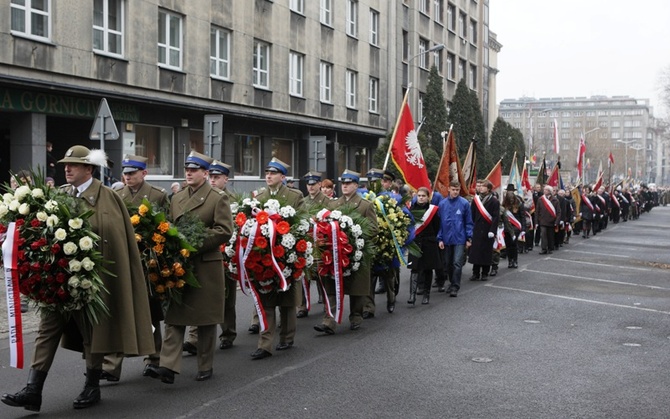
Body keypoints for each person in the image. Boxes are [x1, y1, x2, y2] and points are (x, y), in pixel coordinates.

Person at [2, 146, 154, 412]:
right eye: (65, 165)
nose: (67, 169)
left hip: (91, 282)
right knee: (46, 331)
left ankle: (92, 385)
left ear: (89, 169)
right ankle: (33, 390)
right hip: (58, 280)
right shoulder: (59, 195)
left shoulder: (109, 198)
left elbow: (117, 241)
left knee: (93, 333)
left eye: (73, 165)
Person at [146, 151, 232, 383]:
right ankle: (168, 366)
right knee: (175, 315)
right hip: (179, 264)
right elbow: (170, 226)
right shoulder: (177, 198)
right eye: (187, 169)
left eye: (194, 170)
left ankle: (205, 365)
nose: (189, 173)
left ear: (205, 173)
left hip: (205, 265)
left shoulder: (217, 197)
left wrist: (191, 243)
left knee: (204, 319)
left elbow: (224, 230)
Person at [101, 155, 169, 382]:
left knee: (150, 312)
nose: (128, 177)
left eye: (133, 173)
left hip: (147, 262)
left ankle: (154, 358)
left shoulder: (158, 195)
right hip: (122, 261)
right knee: (119, 310)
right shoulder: (116, 195)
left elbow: (166, 228)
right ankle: (111, 365)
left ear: (144, 173)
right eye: (126, 173)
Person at [249, 157, 304, 360]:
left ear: (282, 176)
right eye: (267, 173)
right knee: (267, 300)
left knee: (287, 301)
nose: (269, 176)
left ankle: (287, 337)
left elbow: (302, 222)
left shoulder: (294, 196)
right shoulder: (258, 196)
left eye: (273, 173)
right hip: (264, 256)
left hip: (287, 255)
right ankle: (265, 344)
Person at [182, 160, 237, 353]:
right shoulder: (188, 196)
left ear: (225, 179)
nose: (213, 180)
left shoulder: (233, 199)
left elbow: (229, 229)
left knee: (226, 297)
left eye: (217, 177)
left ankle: (228, 332)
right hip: (205, 253)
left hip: (228, 253)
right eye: (211, 177)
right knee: (200, 296)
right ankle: (194, 338)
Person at [314, 170, 378, 334]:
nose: (345, 186)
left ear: (356, 185)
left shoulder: (365, 205)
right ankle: (329, 320)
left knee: (356, 288)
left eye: (349, 183)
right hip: (337, 254)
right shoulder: (333, 204)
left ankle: (356, 315)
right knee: (332, 286)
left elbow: (373, 229)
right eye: (343, 183)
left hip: (357, 253)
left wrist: (355, 236)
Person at [296, 170, 330, 318]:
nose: (310, 187)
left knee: (323, 274)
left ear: (319, 184)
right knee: (305, 275)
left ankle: (326, 301)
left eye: (313, 184)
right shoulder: (303, 201)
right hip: (307, 243)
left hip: (322, 243)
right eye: (308, 184)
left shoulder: (327, 201)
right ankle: (303, 305)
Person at [408, 187, 442, 304]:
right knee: (414, 268)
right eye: (419, 195)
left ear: (428, 197)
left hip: (429, 242)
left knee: (428, 269)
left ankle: (426, 294)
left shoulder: (433, 210)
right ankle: (412, 295)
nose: (421, 198)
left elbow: (437, 227)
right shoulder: (411, 209)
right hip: (415, 242)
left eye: (423, 196)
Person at [469, 180, 500, 281]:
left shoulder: (494, 201)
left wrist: (493, 230)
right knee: (476, 251)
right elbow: (472, 215)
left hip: (488, 230)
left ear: (489, 189)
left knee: (486, 252)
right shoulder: (475, 200)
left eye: (483, 186)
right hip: (477, 229)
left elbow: (496, 217)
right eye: (480, 186)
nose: (481, 188)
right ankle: (475, 272)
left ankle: (485, 272)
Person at [501, 185, 525, 269]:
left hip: (516, 227)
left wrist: (523, 229)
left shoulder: (519, 204)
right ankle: (510, 261)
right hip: (507, 227)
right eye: (509, 198)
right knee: (508, 245)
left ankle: (515, 260)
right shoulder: (504, 204)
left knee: (513, 244)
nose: (511, 200)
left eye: (512, 198)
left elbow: (522, 216)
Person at [536, 185, 561, 254]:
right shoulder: (540, 199)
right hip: (543, 221)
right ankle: (543, 248)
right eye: (544, 190)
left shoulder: (555, 200)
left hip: (551, 221)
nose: (544, 191)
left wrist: (557, 222)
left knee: (550, 235)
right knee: (543, 234)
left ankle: (550, 248)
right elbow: (537, 211)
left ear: (550, 191)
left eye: (546, 190)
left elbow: (558, 212)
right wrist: (536, 221)